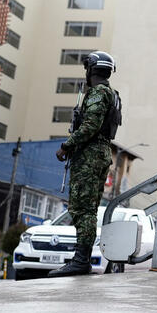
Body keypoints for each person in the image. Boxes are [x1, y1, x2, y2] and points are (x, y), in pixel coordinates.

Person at [51, 51, 120, 277]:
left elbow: (90, 126)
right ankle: (82, 259)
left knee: (82, 209)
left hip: (90, 155)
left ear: (91, 70)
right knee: (87, 208)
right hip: (99, 153)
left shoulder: (99, 92)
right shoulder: (110, 93)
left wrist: (67, 145)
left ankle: (81, 261)